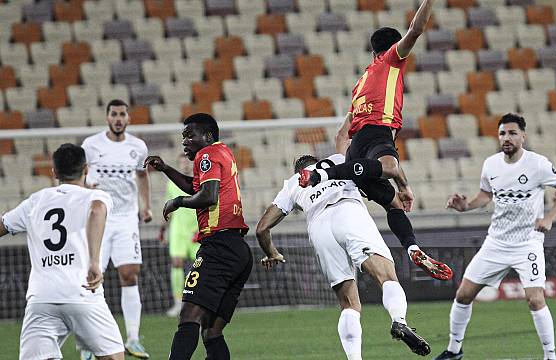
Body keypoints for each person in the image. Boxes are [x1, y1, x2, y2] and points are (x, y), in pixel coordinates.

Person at [298, 0, 450, 280]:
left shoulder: (360, 85)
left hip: (358, 151)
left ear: (371, 51)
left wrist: (402, 187)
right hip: (377, 133)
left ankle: (413, 248)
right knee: (390, 167)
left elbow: (341, 134)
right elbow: (416, 30)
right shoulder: (392, 60)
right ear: (394, 47)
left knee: (394, 204)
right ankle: (324, 174)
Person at [256, 126, 431, 358]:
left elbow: (261, 228)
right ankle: (398, 321)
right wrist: (354, 110)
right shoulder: (338, 160)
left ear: (299, 170)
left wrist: (272, 253)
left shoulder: (292, 184)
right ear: (318, 162)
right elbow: (342, 136)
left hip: (319, 227)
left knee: (349, 305)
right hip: (348, 212)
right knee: (386, 277)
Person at [434, 114, 556, 360]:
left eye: (511, 133)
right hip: (496, 242)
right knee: (463, 294)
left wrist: (549, 217)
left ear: (523, 136)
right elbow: (486, 195)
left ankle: (550, 356)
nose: (506, 138)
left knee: (535, 299)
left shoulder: (538, 164)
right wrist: (465, 205)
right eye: (502, 134)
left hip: (527, 243)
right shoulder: (491, 164)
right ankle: (454, 351)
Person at [0, 144, 124, 360]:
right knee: (113, 357)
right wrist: (94, 262)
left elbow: (3, 225)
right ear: (86, 169)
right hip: (83, 292)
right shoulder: (96, 196)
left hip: (42, 298)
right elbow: (96, 211)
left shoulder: (35, 201)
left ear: (54, 172)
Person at [145, 113, 251, 360]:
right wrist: (166, 169)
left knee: (189, 316)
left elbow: (208, 195)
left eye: (190, 135)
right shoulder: (223, 151)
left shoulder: (207, 155)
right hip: (238, 249)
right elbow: (198, 186)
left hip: (218, 247)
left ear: (208, 136)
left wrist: (177, 202)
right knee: (211, 332)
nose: (185, 141)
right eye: (183, 136)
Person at [81, 99, 152, 359]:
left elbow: (143, 176)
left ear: (128, 118)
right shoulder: (91, 145)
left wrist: (146, 206)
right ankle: (88, 345)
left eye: (122, 114)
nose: (118, 118)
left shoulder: (138, 147)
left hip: (125, 219)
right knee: (91, 277)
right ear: (107, 117)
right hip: (98, 218)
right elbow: (81, 175)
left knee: (130, 274)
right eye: (114, 114)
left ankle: (133, 339)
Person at [159, 154, 201, 317]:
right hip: (177, 230)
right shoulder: (172, 183)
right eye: (181, 163)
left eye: (187, 162)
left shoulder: (199, 181)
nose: (184, 165)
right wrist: (163, 229)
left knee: (200, 266)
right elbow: (168, 208)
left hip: (196, 229)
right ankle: (178, 303)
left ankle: (198, 301)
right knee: (176, 263)